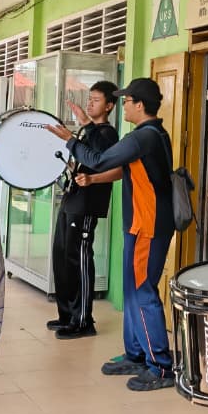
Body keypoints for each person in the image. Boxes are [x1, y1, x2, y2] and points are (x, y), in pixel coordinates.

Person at [48, 77, 176, 391]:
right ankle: (136, 354)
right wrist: (94, 180)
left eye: (127, 101)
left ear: (140, 105)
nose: (124, 107)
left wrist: (70, 140)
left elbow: (98, 159)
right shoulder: (149, 135)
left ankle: (160, 366)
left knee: (142, 292)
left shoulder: (144, 136)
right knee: (132, 291)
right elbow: (120, 169)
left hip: (148, 227)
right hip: (139, 225)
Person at [49, 81, 120, 339]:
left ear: (109, 106)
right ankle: (67, 315)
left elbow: (102, 158)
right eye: (88, 99)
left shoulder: (108, 133)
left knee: (78, 260)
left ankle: (83, 321)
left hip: (87, 204)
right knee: (62, 256)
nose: (89, 104)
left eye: (96, 100)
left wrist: (83, 126)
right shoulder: (88, 130)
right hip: (72, 199)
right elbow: (84, 158)